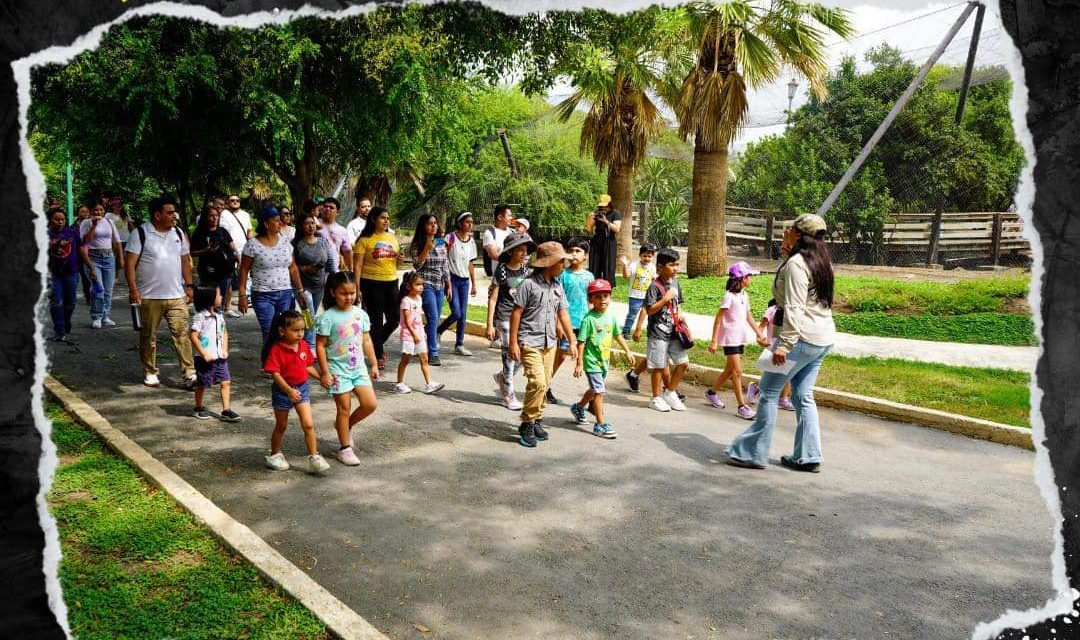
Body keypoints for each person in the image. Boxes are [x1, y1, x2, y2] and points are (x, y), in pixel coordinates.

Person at [726, 214, 836, 472]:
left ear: (798, 235)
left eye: (789, 229)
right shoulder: (821, 261)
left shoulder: (797, 264)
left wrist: (785, 345)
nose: (785, 232)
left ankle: (753, 452)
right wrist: (787, 257)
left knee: (769, 392)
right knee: (803, 395)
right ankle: (808, 456)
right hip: (822, 338)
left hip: (800, 339)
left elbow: (795, 306)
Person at [508, 241, 576, 448]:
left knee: (544, 385)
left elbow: (563, 313)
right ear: (548, 263)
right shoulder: (528, 284)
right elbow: (516, 313)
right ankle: (527, 422)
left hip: (550, 343)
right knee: (537, 382)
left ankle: (537, 418)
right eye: (560, 261)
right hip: (530, 340)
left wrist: (572, 340)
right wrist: (513, 342)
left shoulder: (557, 286)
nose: (563, 265)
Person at [125, 195, 196, 389]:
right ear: (157, 215)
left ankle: (189, 373)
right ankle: (150, 371)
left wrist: (189, 286)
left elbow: (184, 261)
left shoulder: (178, 233)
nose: (175, 216)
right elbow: (129, 264)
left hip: (176, 295)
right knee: (149, 336)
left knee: (182, 334)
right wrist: (133, 290)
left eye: (174, 212)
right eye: (170, 212)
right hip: (149, 297)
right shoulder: (140, 233)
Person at [314, 270, 379, 467]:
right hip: (337, 369)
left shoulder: (361, 314)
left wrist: (374, 362)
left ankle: (345, 426)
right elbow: (320, 346)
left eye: (352, 293)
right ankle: (344, 448)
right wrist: (325, 372)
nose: (349, 297)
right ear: (333, 292)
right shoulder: (327, 317)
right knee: (344, 408)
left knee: (370, 404)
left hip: (358, 367)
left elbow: (366, 339)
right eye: (344, 293)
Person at [263, 310, 331, 474]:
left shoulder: (303, 346)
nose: (300, 334)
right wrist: (287, 390)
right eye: (295, 330)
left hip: (302, 389)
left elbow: (307, 366)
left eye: (302, 330)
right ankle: (275, 454)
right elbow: (274, 373)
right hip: (282, 391)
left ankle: (314, 456)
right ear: (282, 331)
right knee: (281, 425)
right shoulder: (277, 349)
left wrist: (321, 377)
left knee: (308, 424)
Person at [570, 279, 633, 439]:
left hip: (603, 361)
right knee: (599, 391)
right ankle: (600, 424)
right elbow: (581, 342)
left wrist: (627, 351)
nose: (603, 299)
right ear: (591, 300)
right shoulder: (588, 319)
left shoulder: (610, 316)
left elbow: (617, 335)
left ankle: (579, 407)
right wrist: (579, 363)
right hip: (592, 361)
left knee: (594, 389)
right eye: (598, 296)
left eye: (606, 295)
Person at [706, 261, 767, 419]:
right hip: (729, 338)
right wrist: (713, 340)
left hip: (739, 337)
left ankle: (711, 393)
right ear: (741, 278)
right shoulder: (729, 296)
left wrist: (759, 332)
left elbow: (748, 316)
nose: (751, 279)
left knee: (729, 370)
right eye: (749, 276)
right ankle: (742, 406)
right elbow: (718, 319)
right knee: (737, 372)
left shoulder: (744, 295)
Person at [237, 205, 308, 341]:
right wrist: (242, 295)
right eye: (276, 220)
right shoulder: (252, 245)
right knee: (269, 333)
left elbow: (292, 267)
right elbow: (244, 270)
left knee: (285, 332)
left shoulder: (285, 242)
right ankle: (270, 361)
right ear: (266, 223)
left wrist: (300, 290)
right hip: (263, 295)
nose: (280, 223)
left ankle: (282, 361)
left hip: (285, 294)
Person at [487, 232, 534, 410]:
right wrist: (490, 324)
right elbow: (492, 299)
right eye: (520, 250)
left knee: (521, 356)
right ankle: (507, 394)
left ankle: (502, 377)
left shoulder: (527, 272)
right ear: (511, 251)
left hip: (521, 319)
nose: (524, 254)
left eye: (526, 250)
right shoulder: (501, 271)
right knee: (509, 356)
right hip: (505, 317)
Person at [353, 206, 403, 367]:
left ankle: (374, 344)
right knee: (376, 320)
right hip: (371, 283)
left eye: (388, 218)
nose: (386, 221)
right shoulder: (364, 240)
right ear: (373, 219)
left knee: (394, 319)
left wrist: (400, 258)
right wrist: (357, 288)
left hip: (391, 281)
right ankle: (378, 354)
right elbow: (358, 266)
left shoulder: (393, 238)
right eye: (383, 218)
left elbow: (398, 264)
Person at [548, 238, 593, 404]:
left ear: (585, 256)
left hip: (583, 323)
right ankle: (546, 383)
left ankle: (593, 394)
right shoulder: (562, 275)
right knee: (560, 356)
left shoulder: (589, 276)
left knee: (584, 355)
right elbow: (556, 300)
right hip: (566, 322)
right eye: (572, 250)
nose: (574, 254)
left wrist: (592, 321)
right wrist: (558, 323)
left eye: (578, 251)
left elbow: (590, 300)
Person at [643, 248, 688, 412]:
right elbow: (649, 309)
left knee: (683, 363)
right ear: (660, 267)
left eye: (677, 264)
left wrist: (681, 315)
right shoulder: (654, 286)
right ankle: (655, 398)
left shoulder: (676, 283)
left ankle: (669, 392)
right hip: (658, 332)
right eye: (671, 265)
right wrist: (665, 299)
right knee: (659, 366)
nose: (675, 268)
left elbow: (679, 303)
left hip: (674, 331)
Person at [189, 286, 240, 422]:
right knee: (202, 383)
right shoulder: (200, 317)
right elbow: (193, 336)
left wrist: (224, 348)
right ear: (209, 299)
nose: (221, 297)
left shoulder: (219, 316)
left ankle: (226, 410)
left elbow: (224, 332)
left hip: (219, 357)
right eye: (219, 295)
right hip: (204, 358)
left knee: (226, 381)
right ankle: (198, 407)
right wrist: (204, 353)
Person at [409, 213, 452, 365]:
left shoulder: (441, 243)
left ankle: (420, 343)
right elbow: (417, 265)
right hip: (425, 284)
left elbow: (445, 264)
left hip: (439, 284)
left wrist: (449, 284)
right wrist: (426, 248)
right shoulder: (417, 244)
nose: (434, 226)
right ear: (423, 226)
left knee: (435, 318)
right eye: (429, 223)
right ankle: (433, 352)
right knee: (433, 318)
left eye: (435, 223)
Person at [395, 271, 446, 394]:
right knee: (405, 359)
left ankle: (429, 383)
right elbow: (407, 322)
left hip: (419, 333)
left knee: (424, 358)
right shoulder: (406, 301)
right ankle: (399, 383)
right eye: (417, 284)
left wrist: (421, 333)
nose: (421, 287)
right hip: (409, 335)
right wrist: (414, 335)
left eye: (422, 284)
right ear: (408, 286)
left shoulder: (419, 299)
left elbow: (418, 317)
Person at [47, 208, 92, 341]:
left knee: (70, 302)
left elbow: (82, 249)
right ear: (50, 220)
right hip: (53, 274)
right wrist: (55, 245)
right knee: (56, 301)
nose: (60, 222)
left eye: (62, 219)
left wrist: (90, 268)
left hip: (71, 273)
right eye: (56, 219)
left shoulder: (72, 233)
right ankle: (59, 330)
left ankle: (66, 323)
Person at [437, 211, 478, 356]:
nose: (470, 225)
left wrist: (474, 283)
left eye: (471, 222)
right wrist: (445, 280)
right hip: (451, 279)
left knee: (463, 314)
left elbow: (471, 262)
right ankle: (438, 331)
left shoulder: (471, 241)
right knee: (456, 312)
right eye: (467, 222)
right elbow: (442, 254)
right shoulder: (450, 237)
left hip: (464, 281)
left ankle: (459, 344)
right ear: (460, 223)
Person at [79, 201, 124, 328]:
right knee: (98, 288)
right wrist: (94, 225)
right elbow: (84, 241)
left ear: (104, 211)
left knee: (108, 290)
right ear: (91, 211)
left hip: (109, 257)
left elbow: (117, 241)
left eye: (100, 210)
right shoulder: (86, 223)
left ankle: (106, 316)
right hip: (93, 257)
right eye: (95, 210)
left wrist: (121, 258)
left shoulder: (109, 222)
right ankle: (97, 316)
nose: (98, 212)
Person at [747, 299, 795, 412]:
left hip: (786, 345)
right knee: (775, 373)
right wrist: (760, 338)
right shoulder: (772, 310)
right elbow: (762, 326)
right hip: (773, 345)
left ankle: (783, 399)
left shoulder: (791, 310)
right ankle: (755, 387)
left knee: (788, 372)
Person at [292, 211, 332, 348]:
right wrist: (304, 269)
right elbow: (291, 266)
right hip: (302, 286)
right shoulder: (296, 244)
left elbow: (330, 261)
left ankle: (306, 340)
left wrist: (332, 278)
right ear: (301, 226)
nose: (310, 226)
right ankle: (311, 345)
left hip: (319, 285)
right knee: (309, 315)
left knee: (311, 315)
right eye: (307, 223)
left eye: (312, 223)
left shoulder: (322, 241)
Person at [190, 204, 238, 302]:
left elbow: (233, 248)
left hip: (224, 270)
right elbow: (192, 252)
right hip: (207, 271)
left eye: (216, 215)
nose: (214, 218)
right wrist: (205, 251)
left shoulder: (222, 231)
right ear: (205, 217)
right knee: (210, 298)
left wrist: (238, 260)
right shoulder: (199, 233)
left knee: (221, 298)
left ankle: (219, 313)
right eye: (211, 216)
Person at [219, 194, 253, 318]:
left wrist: (252, 244)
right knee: (227, 278)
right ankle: (224, 306)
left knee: (246, 274)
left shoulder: (245, 215)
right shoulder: (224, 214)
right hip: (230, 250)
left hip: (245, 249)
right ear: (228, 202)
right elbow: (223, 232)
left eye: (237, 200)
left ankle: (246, 299)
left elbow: (249, 231)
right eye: (232, 200)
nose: (234, 202)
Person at [620, 243, 657, 339]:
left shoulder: (652, 267)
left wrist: (654, 295)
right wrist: (625, 266)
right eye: (644, 255)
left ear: (653, 256)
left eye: (649, 256)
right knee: (632, 315)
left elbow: (653, 281)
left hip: (647, 296)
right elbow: (626, 276)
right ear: (640, 255)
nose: (647, 258)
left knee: (649, 316)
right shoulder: (634, 265)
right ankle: (626, 332)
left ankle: (650, 332)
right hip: (635, 296)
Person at [585, 194, 622, 283]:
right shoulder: (597, 213)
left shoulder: (615, 213)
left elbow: (617, 229)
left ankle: (608, 288)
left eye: (605, 206)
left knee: (608, 267)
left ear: (609, 204)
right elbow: (589, 230)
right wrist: (589, 219)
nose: (603, 208)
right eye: (601, 206)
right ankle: (594, 286)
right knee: (594, 266)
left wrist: (606, 221)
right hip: (597, 241)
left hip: (609, 241)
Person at [318, 197, 352, 273]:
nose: (327, 209)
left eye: (331, 207)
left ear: (338, 212)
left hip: (333, 271)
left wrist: (350, 270)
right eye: (325, 206)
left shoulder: (342, 230)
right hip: (315, 271)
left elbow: (347, 251)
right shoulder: (313, 224)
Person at [482, 204, 513, 277]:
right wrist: (514, 258)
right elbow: (494, 255)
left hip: (513, 274)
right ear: (500, 217)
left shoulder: (512, 232)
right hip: (498, 276)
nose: (511, 218)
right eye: (509, 216)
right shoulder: (489, 233)